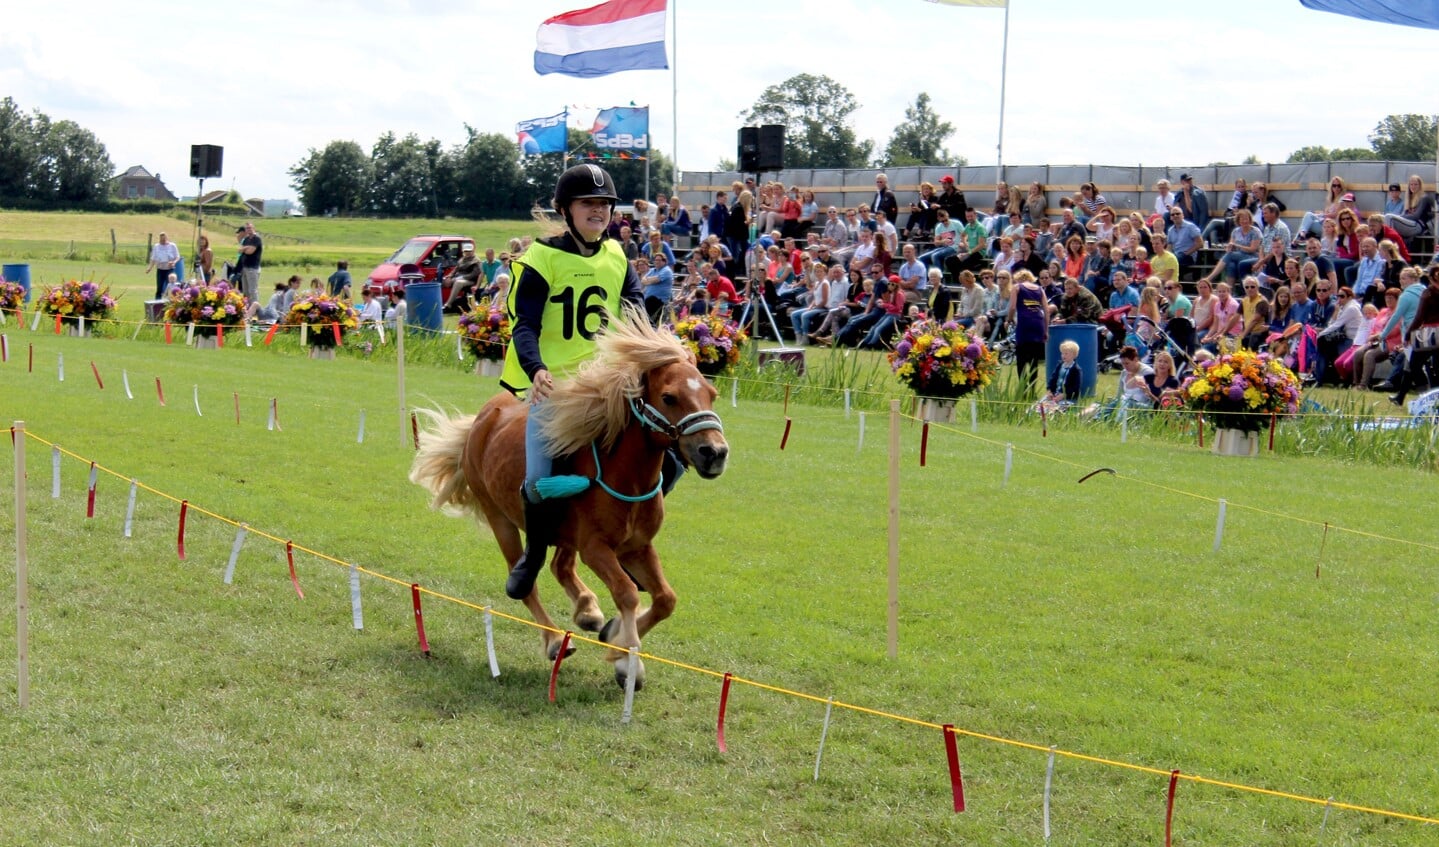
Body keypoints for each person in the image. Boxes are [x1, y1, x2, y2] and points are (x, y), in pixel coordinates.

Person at [499, 164, 644, 601]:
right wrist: (536, 368)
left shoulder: (618, 256)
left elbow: (638, 313)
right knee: (539, 480)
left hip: (608, 386)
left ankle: (632, 546)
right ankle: (535, 552)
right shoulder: (541, 258)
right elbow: (524, 324)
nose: (598, 211)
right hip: (557, 388)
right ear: (567, 210)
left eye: (604, 205)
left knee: (669, 451)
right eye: (588, 204)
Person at [1387, 267, 1439, 406]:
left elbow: (1419, 317)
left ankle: (1426, 395)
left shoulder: (1428, 293)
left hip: (1430, 335)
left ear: (1430, 278)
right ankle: (1401, 397)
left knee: (1414, 364)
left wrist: (1409, 334)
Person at [1009, 269, 1049, 389]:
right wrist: (1046, 330)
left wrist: (1009, 319)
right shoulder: (1040, 289)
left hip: (1024, 323)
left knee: (1021, 358)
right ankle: (1032, 389)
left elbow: (1011, 307)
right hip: (1038, 323)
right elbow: (1046, 310)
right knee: (1034, 360)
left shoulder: (1017, 287)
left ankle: (1022, 388)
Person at [1384, 175, 1436, 247]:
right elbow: (1405, 214)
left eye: (1415, 184)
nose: (1413, 186)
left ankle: (1389, 247)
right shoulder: (1409, 198)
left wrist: (1400, 217)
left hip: (1418, 226)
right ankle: (1390, 246)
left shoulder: (1424, 197)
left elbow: (1416, 216)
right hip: (1409, 224)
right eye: (1411, 184)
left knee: (1389, 217)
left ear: (1420, 185)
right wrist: (1401, 217)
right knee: (1384, 218)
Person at [642, 251, 676, 325]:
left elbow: (657, 280)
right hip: (648, 300)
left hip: (659, 301)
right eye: (655, 260)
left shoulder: (667, 271)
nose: (656, 262)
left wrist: (649, 280)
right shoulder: (652, 270)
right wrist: (651, 280)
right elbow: (643, 280)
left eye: (659, 260)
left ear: (664, 261)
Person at [146, 231, 180, 299]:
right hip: (160, 269)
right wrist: (149, 268)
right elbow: (153, 258)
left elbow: (177, 256)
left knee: (171, 287)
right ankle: (157, 302)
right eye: (161, 239)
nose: (163, 241)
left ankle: (171, 301)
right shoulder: (156, 246)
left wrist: (174, 262)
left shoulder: (172, 246)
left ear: (167, 238)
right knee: (159, 287)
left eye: (164, 239)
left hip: (169, 269)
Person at [237, 221, 263, 304]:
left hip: (252, 267)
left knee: (252, 290)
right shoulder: (246, 240)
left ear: (253, 228)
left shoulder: (257, 239)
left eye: (250, 228)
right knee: (245, 290)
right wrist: (246, 248)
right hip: (244, 267)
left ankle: (255, 308)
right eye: (247, 228)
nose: (248, 230)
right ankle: (247, 309)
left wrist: (245, 248)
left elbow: (250, 251)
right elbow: (240, 250)